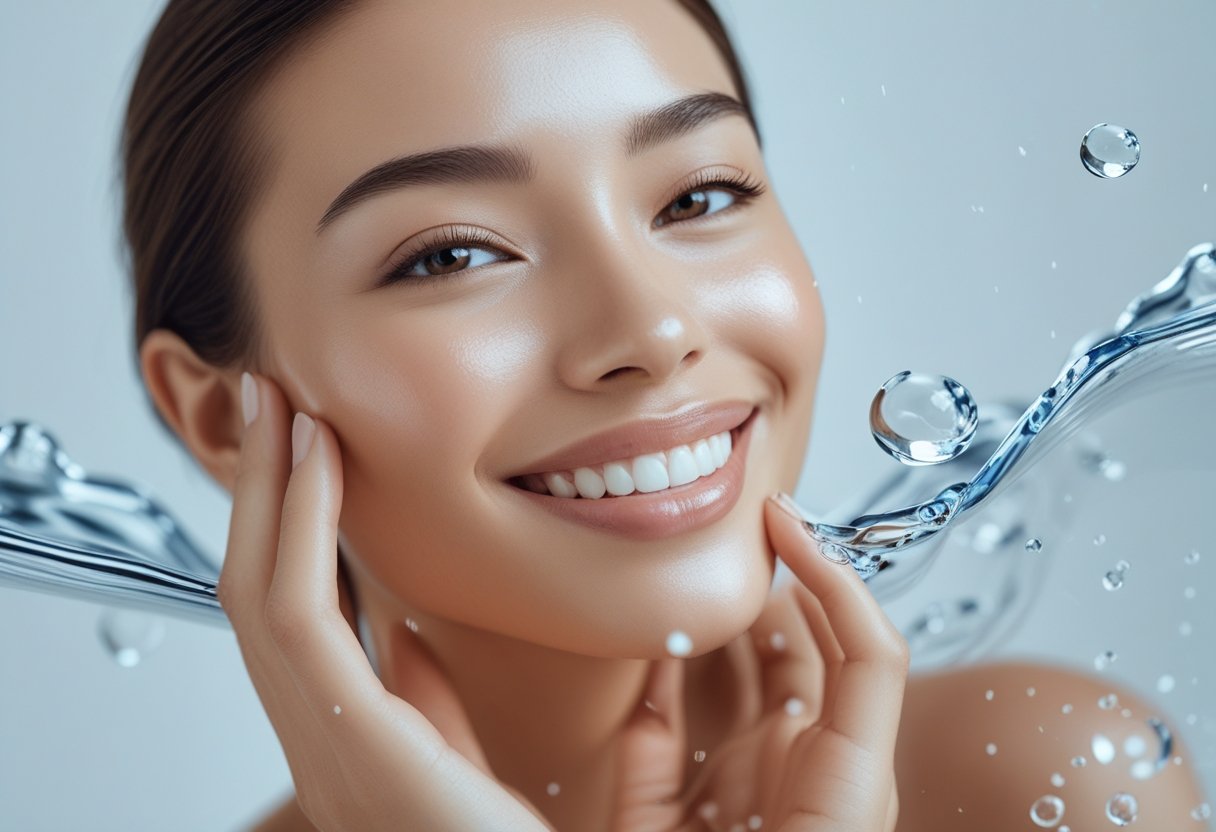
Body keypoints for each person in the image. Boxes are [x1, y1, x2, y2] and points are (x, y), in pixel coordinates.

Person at [125, 1, 1209, 829]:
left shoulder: (1036, 780)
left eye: (697, 197)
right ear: (221, 416)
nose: (649, 329)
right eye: (451, 255)